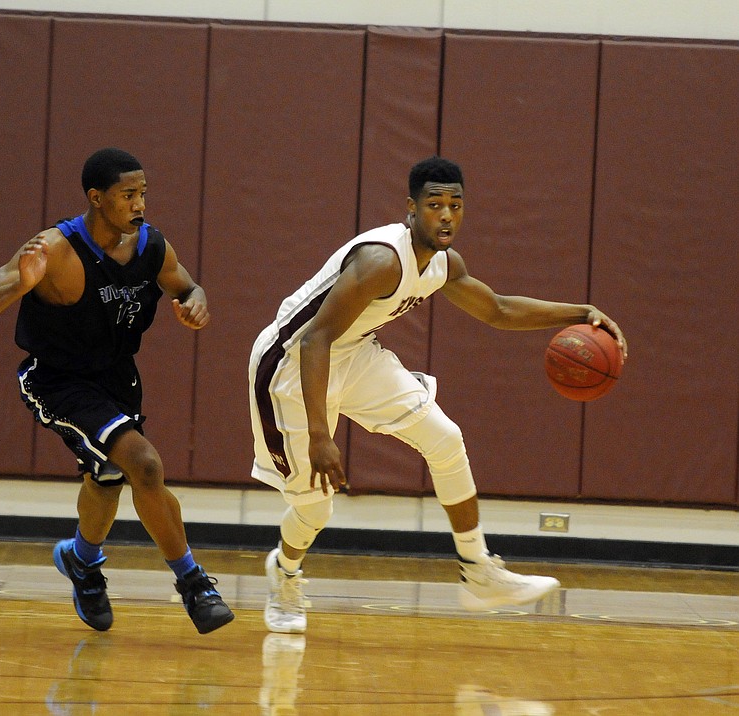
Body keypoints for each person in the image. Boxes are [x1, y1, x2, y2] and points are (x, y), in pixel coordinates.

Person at [248, 156, 627, 633]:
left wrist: (581, 312)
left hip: (352, 352)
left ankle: (477, 571)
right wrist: (322, 436)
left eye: (456, 205)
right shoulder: (382, 260)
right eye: (434, 205)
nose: (446, 215)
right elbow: (314, 339)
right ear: (411, 208)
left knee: (445, 438)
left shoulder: (445, 265)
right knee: (315, 506)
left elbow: (499, 310)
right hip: (291, 362)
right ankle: (284, 571)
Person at [0, 147, 234, 634]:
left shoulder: (151, 246)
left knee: (107, 478)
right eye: (128, 195)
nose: (139, 204)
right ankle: (193, 583)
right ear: (96, 198)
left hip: (116, 378)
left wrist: (196, 303)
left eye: (143, 193)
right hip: (58, 381)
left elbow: (188, 287)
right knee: (144, 464)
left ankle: (82, 560)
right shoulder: (55, 249)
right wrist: (18, 288)